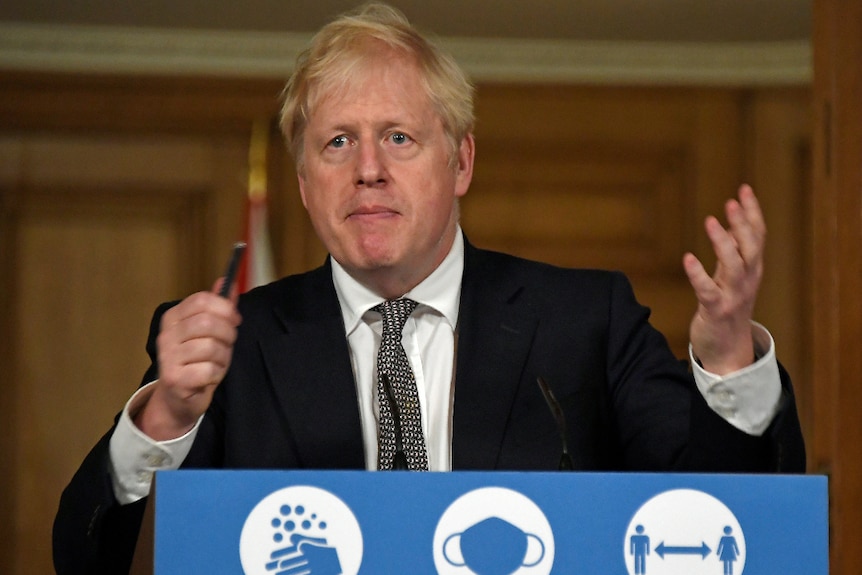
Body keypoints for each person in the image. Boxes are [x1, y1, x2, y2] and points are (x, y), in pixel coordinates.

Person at [52, 3, 805, 573]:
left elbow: (732, 529)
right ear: (306, 184)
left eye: (399, 137)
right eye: (337, 142)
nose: (368, 168)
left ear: (462, 162)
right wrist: (163, 416)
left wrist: (731, 354)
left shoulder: (586, 320)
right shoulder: (230, 345)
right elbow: (83, 556)